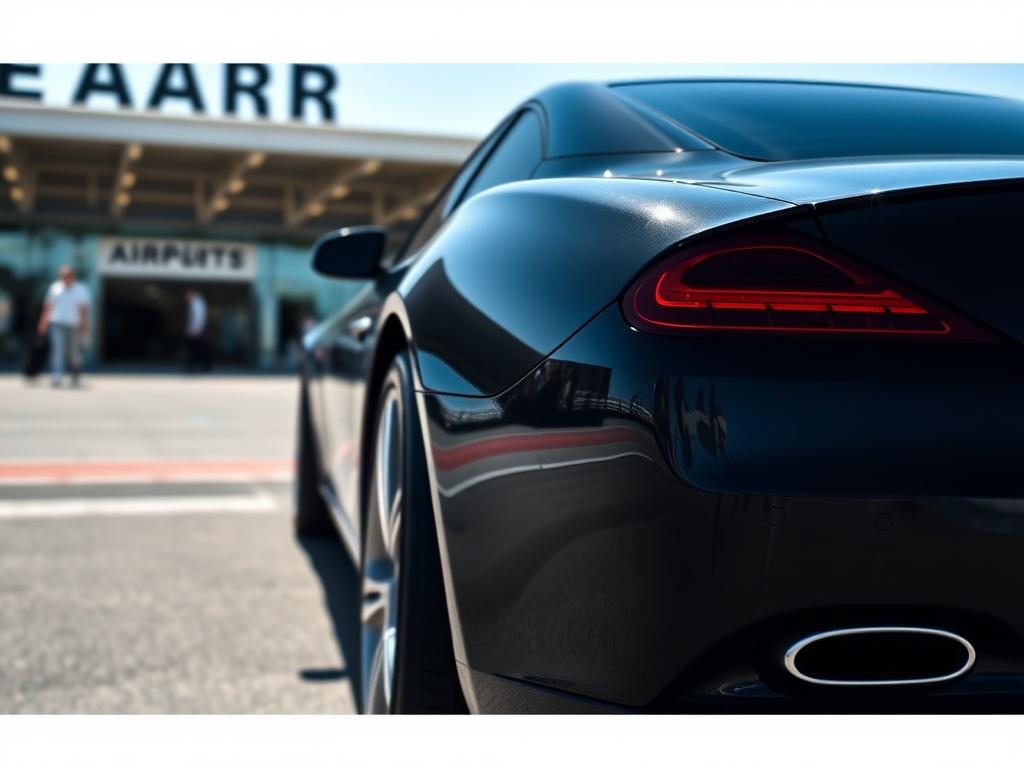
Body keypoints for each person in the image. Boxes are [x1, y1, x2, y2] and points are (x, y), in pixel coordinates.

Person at [37, 265, 90, 387]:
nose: (66, 278)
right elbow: (48, 307)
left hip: (74, 325)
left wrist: (84, 325)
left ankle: (75, 373)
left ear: (73, 276)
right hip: (57, 323)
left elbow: (83, 309)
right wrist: (43, 323)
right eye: (64, 275)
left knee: (73, 352)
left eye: (68, 275)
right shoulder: (55, 288)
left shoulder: (80, 290)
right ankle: (57, 376)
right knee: (58, 349)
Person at [183, 289, 211, 373]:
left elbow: (199, 317)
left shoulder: (197, 303)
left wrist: (195, 329)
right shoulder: (194, 303)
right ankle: (201, 366)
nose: (186, 298)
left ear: (192, 294)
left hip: (196, 331)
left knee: (196, 349)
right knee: (197, 349)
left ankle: (201, 366)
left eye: (187, 296)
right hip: (196, 330)